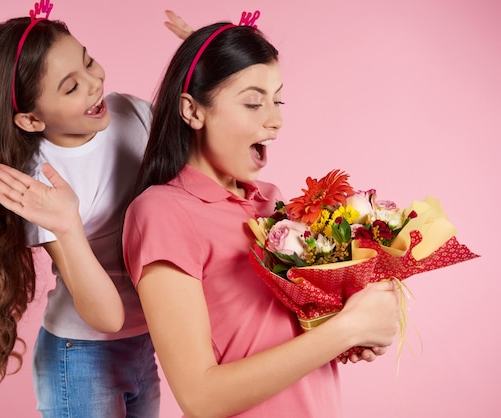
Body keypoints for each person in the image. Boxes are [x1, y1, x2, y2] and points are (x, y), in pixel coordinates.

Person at [121, 20, 402, 417]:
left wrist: (351, 330)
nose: (275, 120)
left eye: (278, 101)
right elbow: (200, 397)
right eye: (254, 103)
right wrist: (348, 328)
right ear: (192, 110)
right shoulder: (163, 213)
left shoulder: (272, 203)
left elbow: (281, 340)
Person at [0, 2, 192, 416]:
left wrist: (203, 64)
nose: (93, 84)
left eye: (89, 62)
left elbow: (197, 165)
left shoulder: (132, 113)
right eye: (70, 87)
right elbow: (106, 316)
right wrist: (67, 225)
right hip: (82, 354)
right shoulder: (41, 184)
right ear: (31, 120)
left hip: (146, 339)